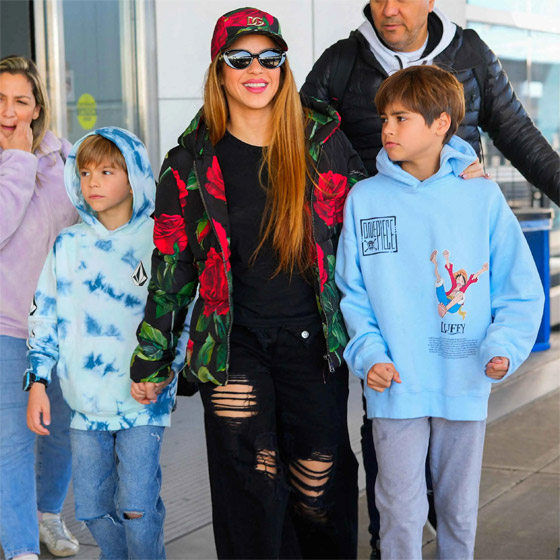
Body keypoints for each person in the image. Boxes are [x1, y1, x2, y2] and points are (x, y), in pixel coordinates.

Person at [301, 3, 559, 552]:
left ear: (442, 124)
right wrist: (368, 353)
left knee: (458, 511)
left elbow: (519, 288)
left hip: (464, 380)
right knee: (397, 510)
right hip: (394, 385)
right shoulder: (365, 199)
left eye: (400, 120)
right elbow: (353, 292)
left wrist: (504, 347)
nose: (385, 130)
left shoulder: (480, 196)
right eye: (384, 118)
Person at [130, 7, 363, 559]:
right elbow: (172, 268)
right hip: (234, 346)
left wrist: (451, 165)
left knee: (318, 488)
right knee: (251, 493)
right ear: (219, 69)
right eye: (240, 58)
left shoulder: (323, 142)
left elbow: (377, 216)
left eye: (269, 57)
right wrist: (152, 358)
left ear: (283, 66)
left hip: (313, 345)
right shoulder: (188, 163)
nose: (256, 69)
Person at [25, 128, 184, 560]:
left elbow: (182, 315)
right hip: (85, 404)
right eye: (85, 172)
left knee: (136, 505)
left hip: (144, 399)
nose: (92, 182)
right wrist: (38, 381)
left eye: (107, 172)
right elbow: (44, 314)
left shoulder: (160, 241)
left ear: (134, 178)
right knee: (93, 510)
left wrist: (166, 372)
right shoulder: (67, 244)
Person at [301, 0, 559, 201]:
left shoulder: (470, 54)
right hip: (376, 230)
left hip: (455, 224)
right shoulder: (340, 61)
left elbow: (519, 135)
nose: (388, 10)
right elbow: (296, 145)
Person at [0, 55, 79, 560]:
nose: (8, 111)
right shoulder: (16, 163)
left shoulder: (64, 158)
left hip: (64, 326)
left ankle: (47, 514)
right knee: (11, 440)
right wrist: (18, 162)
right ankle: (20, 546)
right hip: (8, 327)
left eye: (20, 100)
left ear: (37, 107)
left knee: (60, 431)